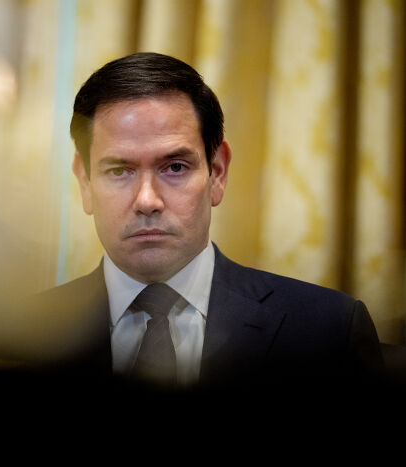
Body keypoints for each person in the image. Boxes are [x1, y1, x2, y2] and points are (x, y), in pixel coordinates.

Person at [25, 52, 384, 393]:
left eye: (175, 167)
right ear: (85, 182)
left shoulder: (327, 330)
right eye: (119, 170)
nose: (147, 200)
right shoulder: (22, 335)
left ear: (217, 173)